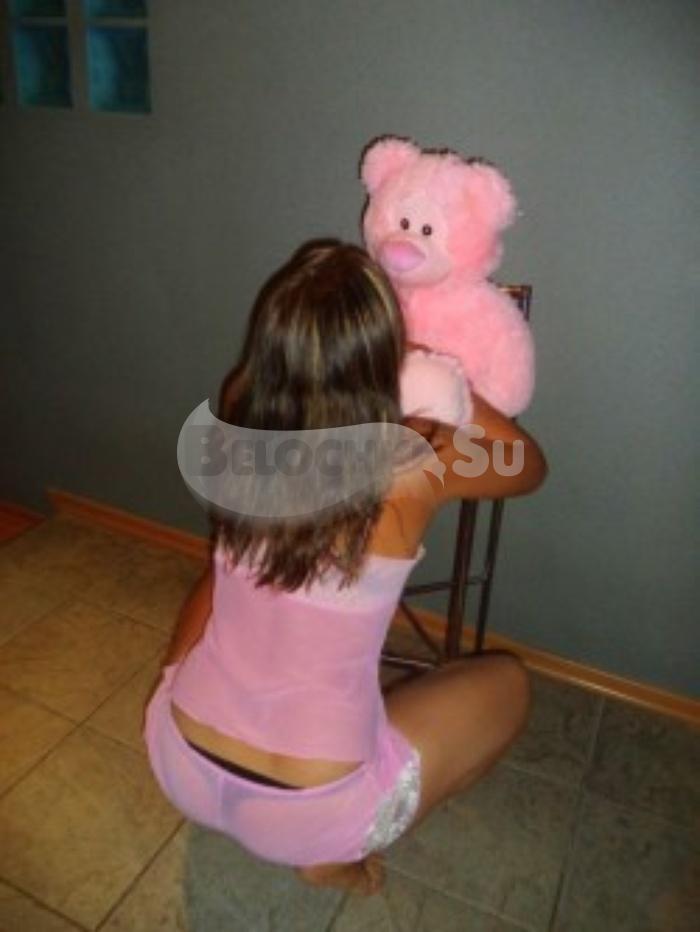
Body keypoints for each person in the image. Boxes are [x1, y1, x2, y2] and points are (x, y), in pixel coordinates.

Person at [143, 240, 548, 896]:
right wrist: (447, 386)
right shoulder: (419, 461)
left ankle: (211, 734)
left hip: (177, 760)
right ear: (388, 361)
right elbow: (526, 466)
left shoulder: (240, 407)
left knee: (224, 574)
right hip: (311, 815)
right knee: (509, 683)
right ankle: (332, 859)